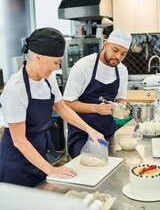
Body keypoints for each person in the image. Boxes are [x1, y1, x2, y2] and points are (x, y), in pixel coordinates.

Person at [0, 27, 104, 187]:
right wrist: (51, 170)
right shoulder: (16, 89)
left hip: (39, 156)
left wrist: (89, 129)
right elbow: (19, 140)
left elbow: (62, 108)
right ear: (38, 56)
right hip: (16, 164)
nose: (57, 67)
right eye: (56, 62)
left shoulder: (48, 79)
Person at [63, 28, 132, 158]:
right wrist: (96, 108)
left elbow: (119, 99)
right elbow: (66, 104)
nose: (118, 57)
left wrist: (122, 107)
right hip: (82, 135)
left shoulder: (122, 71)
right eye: (115, 50)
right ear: (105, 45)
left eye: (123, 54)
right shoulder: (83, 67)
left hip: (109, 133)